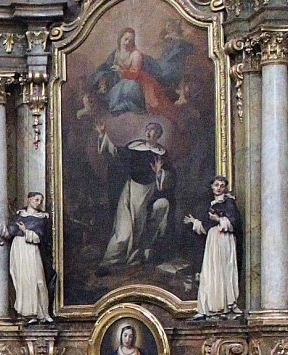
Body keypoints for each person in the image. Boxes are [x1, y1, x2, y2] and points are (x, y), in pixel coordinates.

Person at [97, 120, 177, 269]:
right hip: (130, 190)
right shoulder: (136, 147)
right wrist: (103, 135)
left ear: (158, 135)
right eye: (148, 129)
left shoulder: (162, 154)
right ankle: (109, 261)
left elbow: (170, 178)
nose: (149, 132)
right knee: (124, 230)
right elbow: (115, 153)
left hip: (149, 193)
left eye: (153, 130)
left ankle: (133, 259)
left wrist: (159, 173)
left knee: (139, 229)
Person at [186, 177, 242, 318]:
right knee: (211, 269)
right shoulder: (210, 204)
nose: (219, 188)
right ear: (211, 186)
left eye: (222, 185)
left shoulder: (229, 202)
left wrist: (218, 220)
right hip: (212, 239)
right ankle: (210, 306)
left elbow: (234, 222)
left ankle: (224, 305)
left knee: (223, 269)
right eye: (216, 185)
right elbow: (206, 227)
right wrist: (195, 222)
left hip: (224, 238)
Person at [8, 193, 53, 322]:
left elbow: (40, 237)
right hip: (19, 248)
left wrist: (25, 230)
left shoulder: (42, 218)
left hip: (32, 249)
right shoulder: (19, 215)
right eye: (36, 199)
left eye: (40, 201)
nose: (38, 203)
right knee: (24, 280)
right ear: (29, 199)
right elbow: (10, 232)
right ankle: (30, 314)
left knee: (39, 281)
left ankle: (44, 313)